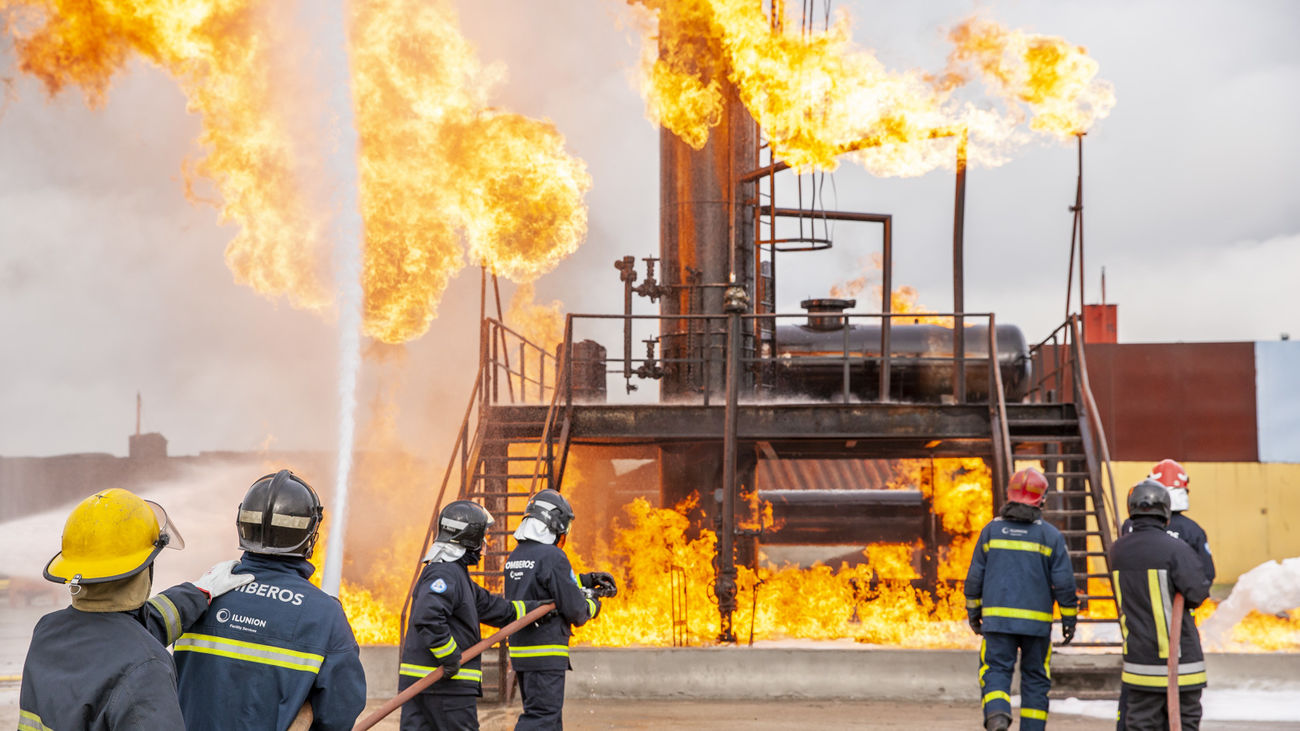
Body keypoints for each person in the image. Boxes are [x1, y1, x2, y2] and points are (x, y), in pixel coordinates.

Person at [19, 487, 253, 729]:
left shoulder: (47, 632)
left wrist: (199, 592)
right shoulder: (146, 666)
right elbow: (131, 645)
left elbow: (129, 631)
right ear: (144, 568)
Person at [174, 469, 366, 730]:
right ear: (308, 535)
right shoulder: (323, 614)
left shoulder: (200, 595)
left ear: (243, 525)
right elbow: (339, 712)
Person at [400, 500, 549, 731]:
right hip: (444, 687)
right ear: (468, 538)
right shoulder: (444, 572)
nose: (485, 545)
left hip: (427, 685)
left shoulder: (457, 577)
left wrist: (539, 608)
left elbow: (497, 609)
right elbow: (427, 617)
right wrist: (450, 657)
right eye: (482, 537)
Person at [964, 467, 1079, 731]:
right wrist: (1069, 619)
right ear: (1042, 499)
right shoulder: (1050, 536)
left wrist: (973, 612)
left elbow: (974, 579)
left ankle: (997, 715)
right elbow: (1063, 583)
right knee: (1036, 678)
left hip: (997, 624)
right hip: (1036, 626)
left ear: (1010, 495)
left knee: (995, 670)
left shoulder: (991, 531)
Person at [505, 489, 617, 730]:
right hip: (546, 653)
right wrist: (593, 604)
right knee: (542, 720)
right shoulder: (553, 556)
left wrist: (586, 580)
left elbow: (542, 585)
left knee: (548, 720)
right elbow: (576, 610)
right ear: (553, 521)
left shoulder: (516, 556)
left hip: (523, 653)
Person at [1110, 479, 1211, 730]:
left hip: (1138, 661)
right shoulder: (1176, 549)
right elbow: (1198, 592)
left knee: (1141, 724)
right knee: (1184, 722)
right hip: (1180, 661)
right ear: (1165, 512)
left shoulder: (1117, 551)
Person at [1120, 459, 1215, 584]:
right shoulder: (1193, 530)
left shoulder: (1129, 525)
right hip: (1177, 599)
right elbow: (1207, 573)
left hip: (1133, 598)